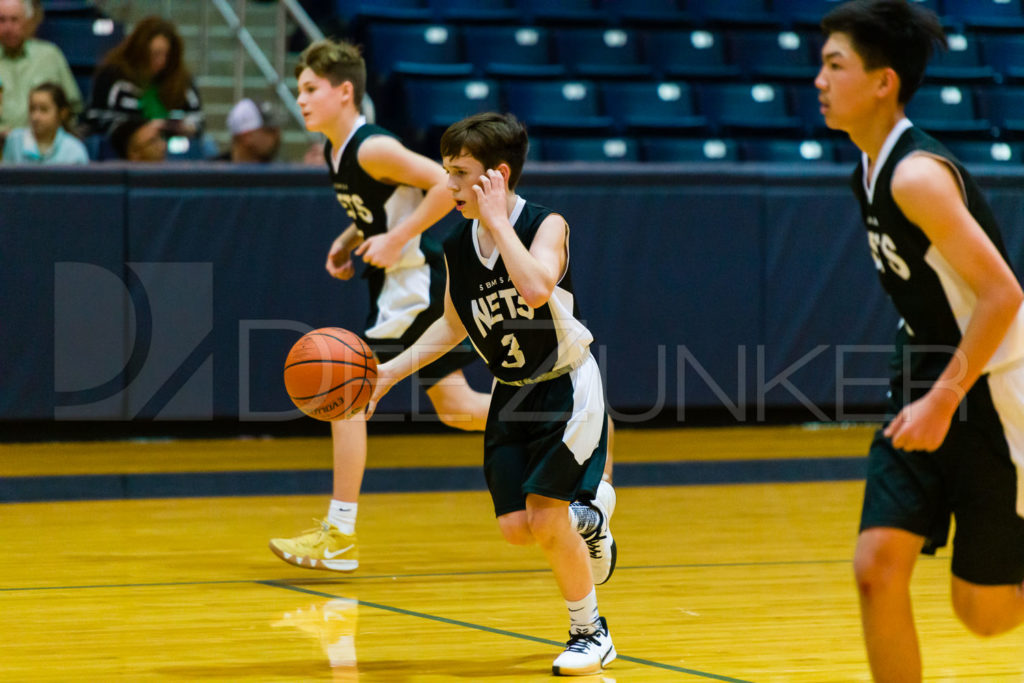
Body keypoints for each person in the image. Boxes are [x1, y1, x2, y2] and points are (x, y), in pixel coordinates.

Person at [365, 112, 618, 676]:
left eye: (461, 174)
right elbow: (452, 324)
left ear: (497, 177)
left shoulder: (546, 225)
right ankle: (591, 517)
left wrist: (500, 222)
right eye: (449, 172)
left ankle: (591, 632)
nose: (449, 186)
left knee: (546, 520)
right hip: (511, 393)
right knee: (517, 529)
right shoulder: (457, 243)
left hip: (565, 386)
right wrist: (389, 373)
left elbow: (533, 289)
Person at [816, 1, 1024, 680]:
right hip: (925, 379)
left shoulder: (916, 176)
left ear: (883, 82)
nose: (818, 79)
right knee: (877, 567)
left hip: (991, 388)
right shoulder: (868, 171)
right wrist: (929, 393)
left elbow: (1004, 295)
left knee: (985, 613)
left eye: (834, 64)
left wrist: (945, 397)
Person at [267, 38, 492, 573]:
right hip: (400, 285)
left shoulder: (372, 147)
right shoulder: (335, 149)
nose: (300, 99)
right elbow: (385, 204)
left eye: (310, 89)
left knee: (343, 389)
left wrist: (398, 239)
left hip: (417, 284)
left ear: (344, 92)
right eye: (299, 89)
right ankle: (564, 415)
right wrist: (355, 237)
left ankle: (339, 534)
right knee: (458, 410)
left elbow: (447, 183)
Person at [83, 15, 203, 142]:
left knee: (207, 145)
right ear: (140, 51)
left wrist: (185, 127)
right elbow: (96, 120)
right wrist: (143, 128)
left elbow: (198, 119)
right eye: (155, 54)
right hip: (124, 146)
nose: (161, 61)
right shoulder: (112, 75)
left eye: (166, 55)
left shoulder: (181, 79)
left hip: (170, 144)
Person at [0, 0, 82, 136]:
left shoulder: (50, 56)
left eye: (14, 20)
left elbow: (73, 107)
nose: (8, 27)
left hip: (46, 148)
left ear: (27, 21)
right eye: (1, 20)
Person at [2, 81, 87, 164]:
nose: (35, 117)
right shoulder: (14, 140)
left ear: (62, 113)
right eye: (32, 109)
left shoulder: (74, 150)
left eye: (44, 109)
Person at [217, 97, 281, 163]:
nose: (277, 135)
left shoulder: (281, 170)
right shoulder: (213, 170)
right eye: (269, 131)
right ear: (247, 136)